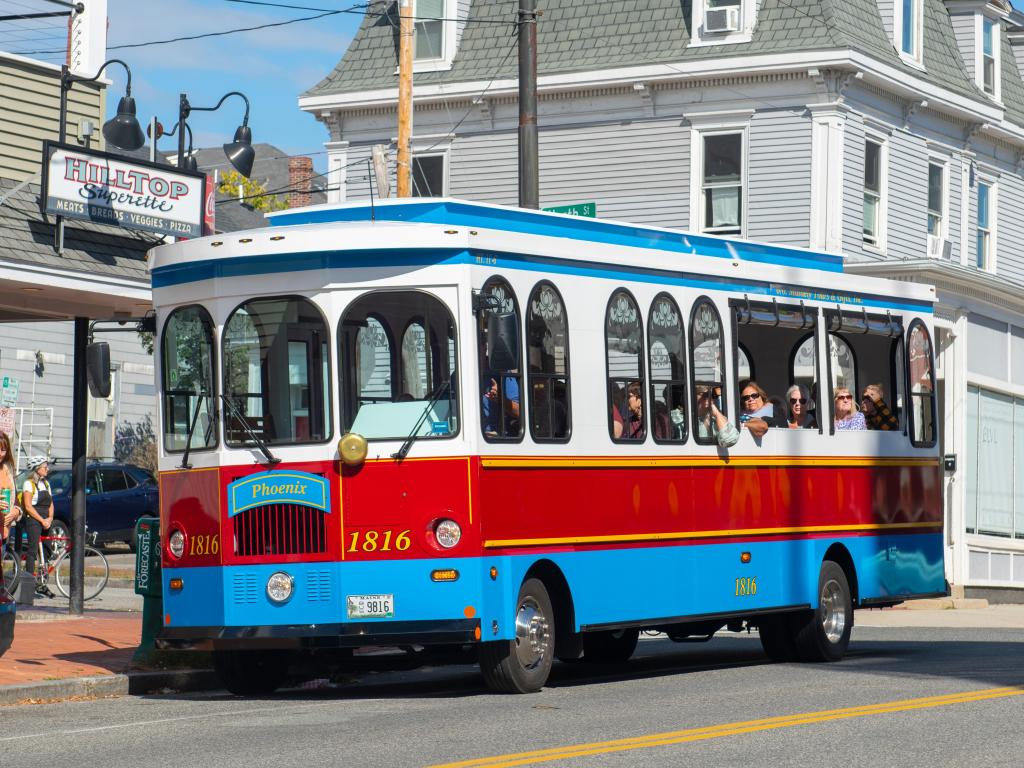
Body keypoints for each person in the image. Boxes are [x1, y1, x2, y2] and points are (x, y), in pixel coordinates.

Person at [21, 455, 56, 598]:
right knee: (32, 550)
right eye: (44, 466)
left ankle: (42, 581)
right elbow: (28, 506)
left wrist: (50, 518)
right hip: (34, 519)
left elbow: (51, 504)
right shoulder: (28, 484)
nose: (47, 468)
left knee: (48, 550)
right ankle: (29, 584)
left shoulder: (46, 484)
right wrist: (42, 520)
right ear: (37, 469)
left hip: (45, 519)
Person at [0, 433, 22, 556]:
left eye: (3, 450)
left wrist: (16, 511)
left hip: (4, 531)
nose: (0, 453)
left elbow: (16, 499)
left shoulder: (8, 469)